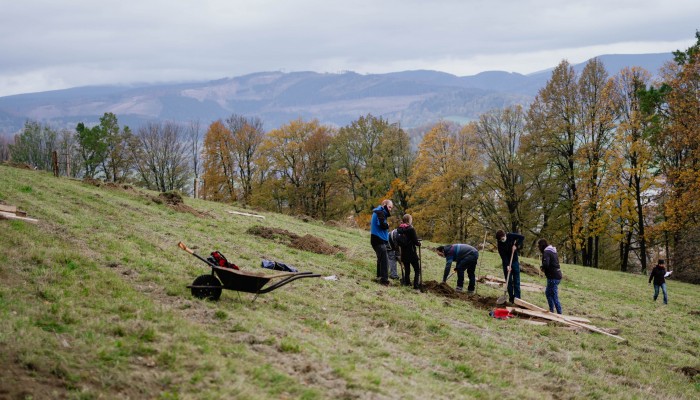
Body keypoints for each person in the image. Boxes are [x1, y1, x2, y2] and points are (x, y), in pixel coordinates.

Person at [496, 230, 525, 304]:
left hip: (514, 261)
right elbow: (503, 256)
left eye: (503, 238)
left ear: (505, 235)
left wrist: (516, 245)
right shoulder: (500, 245)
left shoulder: (510, 235)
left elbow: (522, 237)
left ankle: (517, 298)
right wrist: (507, 265)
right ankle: (511, 299)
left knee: (516, 280)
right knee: (508, 281)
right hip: (506, 262)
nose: (502, 240)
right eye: (501, 240)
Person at [370, 199, 393, 285]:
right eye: (389, 207)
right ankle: (384, 280)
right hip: (378, 239)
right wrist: (387, 225)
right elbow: (382, 225)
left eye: (391, 208)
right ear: (384, 205)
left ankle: (379, 277)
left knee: (380, 259)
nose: (390, 209)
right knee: (384, 260)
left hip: (376, 238)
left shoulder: (379, 212)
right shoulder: (380, 212)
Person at [396, 214, 422, 289]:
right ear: (409, 220)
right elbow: (415, 241)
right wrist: (419, 243)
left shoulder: (399, 229)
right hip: (411, 252)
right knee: (417, 269)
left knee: (407, 270)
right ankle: (416, 285)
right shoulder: (411, 229)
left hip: (403, 253)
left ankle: (407, 283)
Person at [538, 238, 563, 314]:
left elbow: (546, 264)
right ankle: (551, 310)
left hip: (553, 276)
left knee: (553, 294)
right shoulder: (552, 251)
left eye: (539, 246)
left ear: (541, 246)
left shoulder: (546, 252)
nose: (538, 248)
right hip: (557, 275)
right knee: (548, 293)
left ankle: (559, 312)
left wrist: (542, 267)